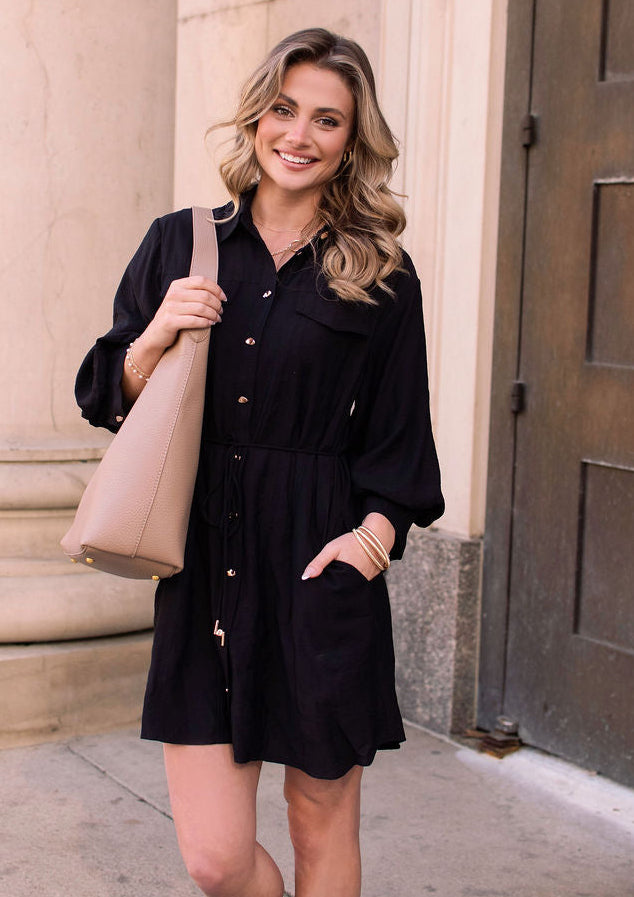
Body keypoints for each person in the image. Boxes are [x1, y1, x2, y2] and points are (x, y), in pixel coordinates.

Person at [75, 27, 443, 897]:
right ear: (256, 118)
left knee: (320, 824)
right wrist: (156, 333)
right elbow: (104, 393)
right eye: (284, 109)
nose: (299, 135)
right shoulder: (179, 243)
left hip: (321, 568)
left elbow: (400, 441)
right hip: (205, 564)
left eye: (327, 120)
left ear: (353, 144)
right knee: (215, 856)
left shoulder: (383, 274)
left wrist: (370, 541)